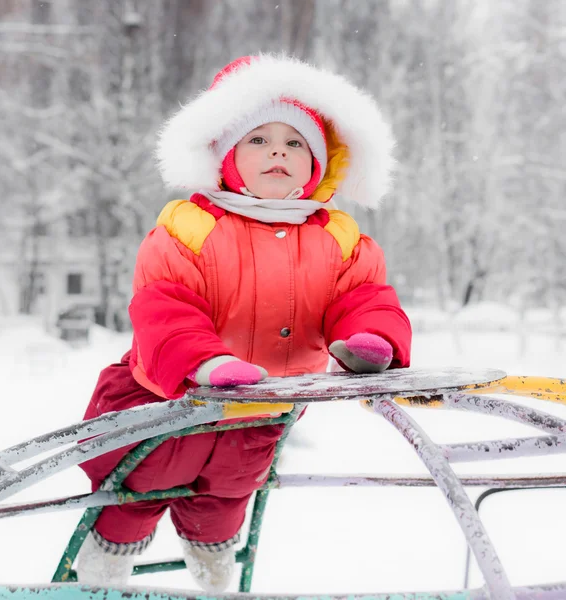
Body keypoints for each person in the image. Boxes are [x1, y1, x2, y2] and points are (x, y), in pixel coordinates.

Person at [76, 54, 412, 592]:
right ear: (225, 156)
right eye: (257, 140)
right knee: (138, 488)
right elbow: (164, 305)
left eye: (296, 142)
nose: (278, 150)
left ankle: (213, 567)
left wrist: (370, 338)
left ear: (319, 164)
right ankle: (106, 564)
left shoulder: (338, 237)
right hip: (162, 401)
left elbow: (364, 295)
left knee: (229, 491)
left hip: (263, 403)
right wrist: (206, 360)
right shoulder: (190, 226)